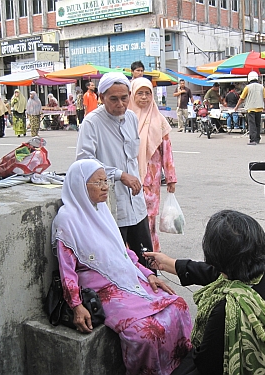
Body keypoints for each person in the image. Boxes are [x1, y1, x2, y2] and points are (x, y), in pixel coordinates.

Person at [52, 159, 192, 375]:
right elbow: (67, 269)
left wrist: (147, 274)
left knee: (178, 306)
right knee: (143, 333)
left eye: (105, 181)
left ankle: (175, 366)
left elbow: (123, 251)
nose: (105, 186)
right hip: (104, 289)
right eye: (97, 182)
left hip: (127, 277)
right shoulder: (68, 220)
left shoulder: (102, 211)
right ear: (80, 186)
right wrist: (76, 305)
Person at [144, 210, 265, 375]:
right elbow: (213, 273)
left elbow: (206, 364)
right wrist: (168, 263)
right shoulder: (261, 269)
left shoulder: (229, 309)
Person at [76, 72, 154, 267]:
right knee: (116, 261)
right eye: (113, 99)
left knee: (146, 259)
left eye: (124, 98)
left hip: (136, 202)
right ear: (101, 98)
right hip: (111, 203)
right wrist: (119, 175)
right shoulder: (91, 122)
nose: (120, 104)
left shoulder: (131, 118)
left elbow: (132, 158)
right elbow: (84, 161)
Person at [128, 77, 177, 253]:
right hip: (129, 177)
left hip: (151, 179)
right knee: (129, 217)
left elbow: (167, 152)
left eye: (147, 93)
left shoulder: (159, 121)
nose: (144, 97)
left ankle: (150, 253)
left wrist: (171, 178)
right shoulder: (125, 119)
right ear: (132, 94)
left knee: (149, 218)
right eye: (139, 93)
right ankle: (131, 254)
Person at [234, 71, 265, 145]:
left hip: (250, 108)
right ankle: (257, 138)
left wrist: (236, 107)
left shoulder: (247, 87)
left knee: (252, 124)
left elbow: (241, 98)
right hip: (259, 108)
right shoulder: (261, 87)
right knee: (258, 124)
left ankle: (253, 140)